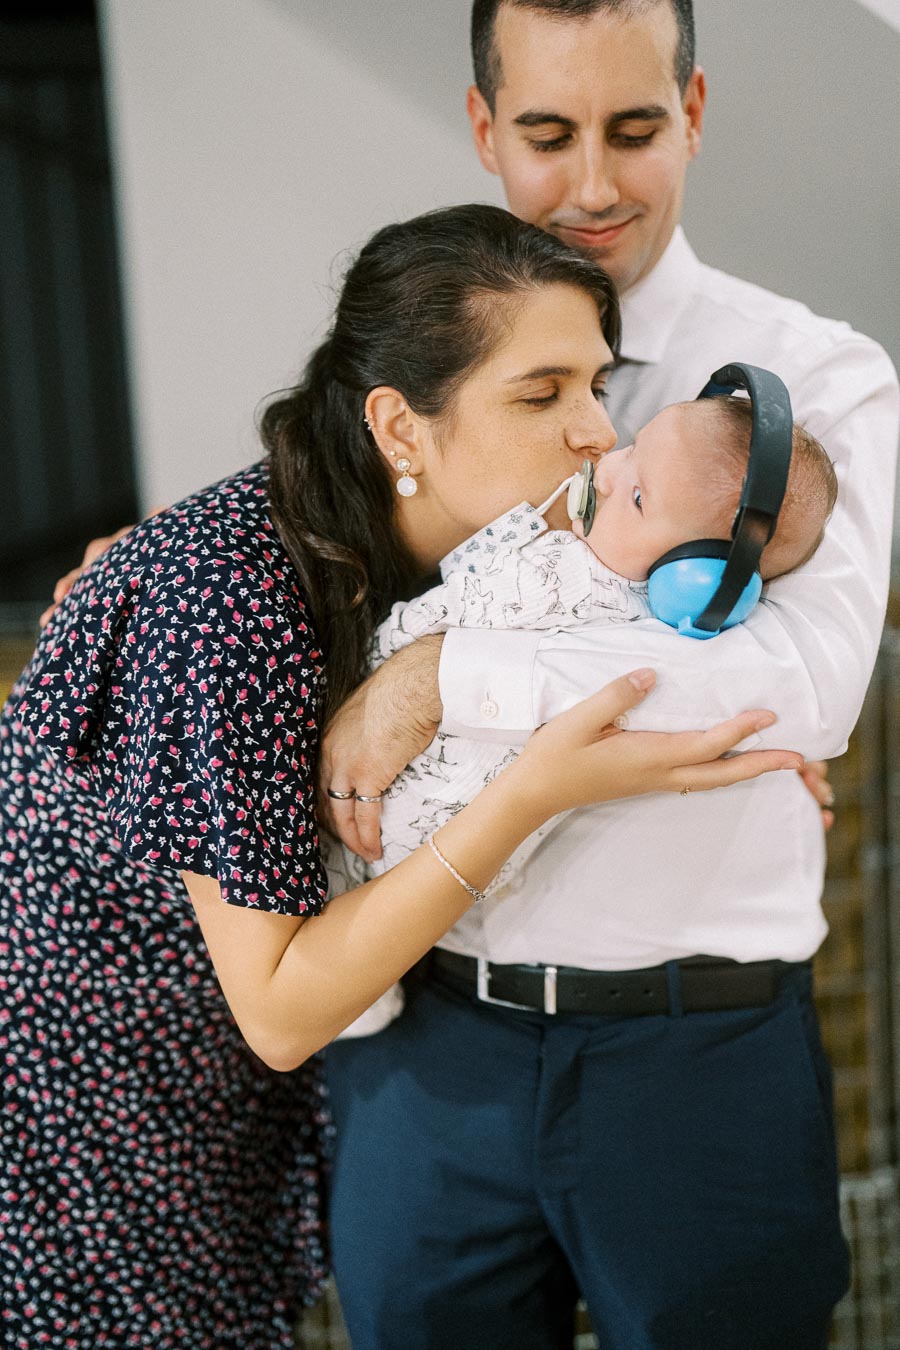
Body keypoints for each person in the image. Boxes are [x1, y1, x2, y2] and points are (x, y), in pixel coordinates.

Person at [0, 205, 796, 1350]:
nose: (594, 435)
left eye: (596, 386)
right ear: (399, 426)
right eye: (541, 394)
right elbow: (277, 1013)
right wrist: (533, 794)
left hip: (247, 1086)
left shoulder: (447, 564)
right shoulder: (227, 596)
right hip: (98, 1109)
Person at [319, 3, 899, 1348]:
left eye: (635, 130)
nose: (591, 183)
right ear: (484, 130)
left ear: (693, 115)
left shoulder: (817, 383)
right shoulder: (425, 360)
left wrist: (447, 675)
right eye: (546, 133)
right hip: (432, 1048)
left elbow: (798, 689)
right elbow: (328, 572)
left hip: (697, 1056)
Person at [335, 393, 837, 1037]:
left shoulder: (585, 594)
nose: (608, 468)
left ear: (696, 579)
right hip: (447, 884)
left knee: (359, 874)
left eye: (637, 497)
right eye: (632, 449)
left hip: (434, 815)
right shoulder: (586, 555)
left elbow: (447, 608)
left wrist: (394, 651)